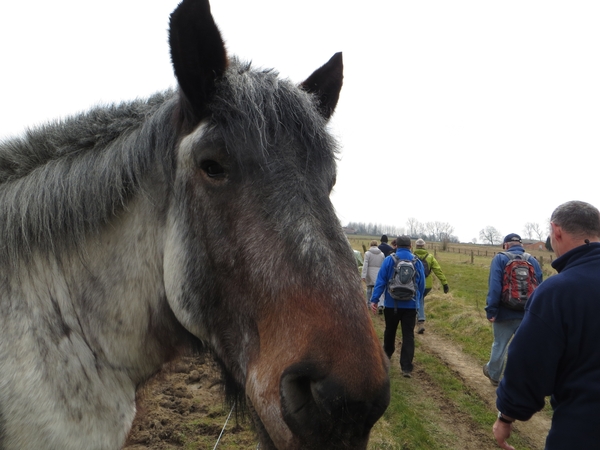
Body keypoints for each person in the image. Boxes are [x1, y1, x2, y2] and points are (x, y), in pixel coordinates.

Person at [493, 201, 600, 449]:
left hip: (582, 429)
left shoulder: (558, 291)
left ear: (556, 231)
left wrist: (507, 415)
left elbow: (529, 362)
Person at [483, 233, 543, 387]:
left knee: (499, 345)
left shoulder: (500, 258)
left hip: (504, 312)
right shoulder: (532, 260)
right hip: (527, 313)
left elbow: (495, 286)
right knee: (523, 348)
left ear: (505, 245)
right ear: (521, 244)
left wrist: (491, 310)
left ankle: (494, 375)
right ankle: (520, 380)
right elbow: (540, 287)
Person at [370, 236, 425, 378]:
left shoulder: (390, 260)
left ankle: (386, 359)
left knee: (390, 331)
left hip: (391, 304)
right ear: (410, 246)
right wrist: (417, 301)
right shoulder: (416, 262)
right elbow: (421, 285)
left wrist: (374, 300)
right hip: (410, 305)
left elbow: (381, 281)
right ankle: (406, 367)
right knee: (408, 335)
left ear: (396, 245)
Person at [413, 238, 450, 334]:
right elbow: (438, 270)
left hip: (415, 283)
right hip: (427, 285)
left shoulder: (412, 256)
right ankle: (417, 319)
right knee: (420, 299)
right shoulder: (430, 257)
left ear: (416, 246)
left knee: (418, 300)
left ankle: (420, 321)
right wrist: (444, 283)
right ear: (424, 246)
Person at [361, 240, 385, 306]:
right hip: (378, 272)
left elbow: (365, 264)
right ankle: (380, 304)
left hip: (369, 272)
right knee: (378, 288)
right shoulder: (382, 254)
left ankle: (368, 303)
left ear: (370, 245)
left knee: (369, 288)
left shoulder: (367, 253)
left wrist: (363, 275)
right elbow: (383, 265)